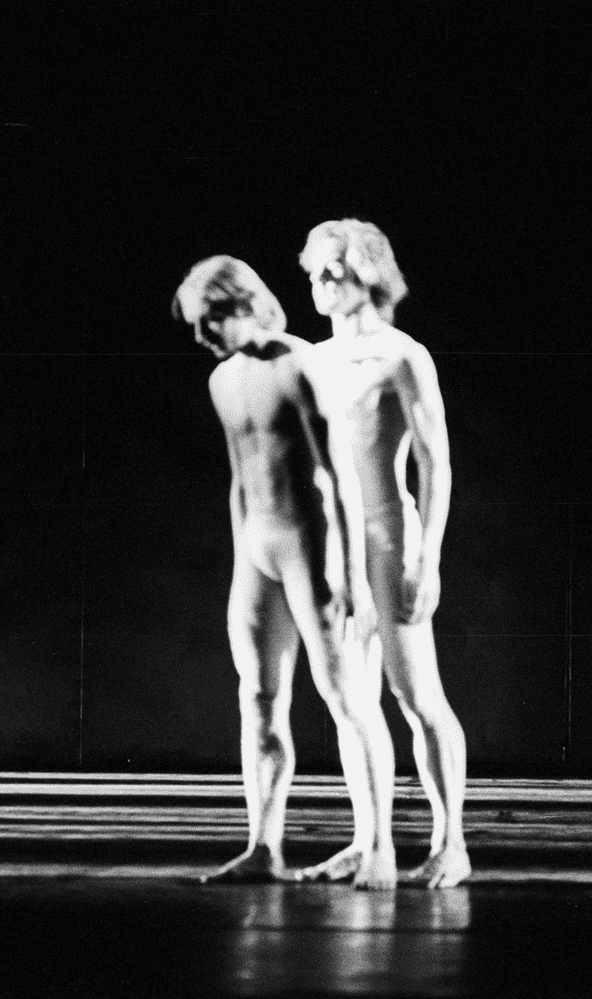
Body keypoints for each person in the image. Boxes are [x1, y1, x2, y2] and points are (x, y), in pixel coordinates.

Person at [172, 255, 399, 889]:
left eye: (210, 319)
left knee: (347, 697)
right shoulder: (223, 379)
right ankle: (263, 847)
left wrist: (349, 572)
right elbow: (239, 478)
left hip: (310, 546)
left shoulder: (302, 364)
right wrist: (242, 557)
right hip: (258, 549)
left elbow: (338, 475)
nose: (202, 336)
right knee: (259, 697)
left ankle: (378, 846)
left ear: (244, 304)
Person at [296, 220, 471, 888]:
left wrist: (428, 558)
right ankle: (369, 840)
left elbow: (437, 461)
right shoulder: (313, 359)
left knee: (416, 692)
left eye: (333, 270)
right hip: (336, 542)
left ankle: (450, 842)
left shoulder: (402, 356)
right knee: (351, 698)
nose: (320, 283)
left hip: (390, 533)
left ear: (366, 272)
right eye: (314, 271)